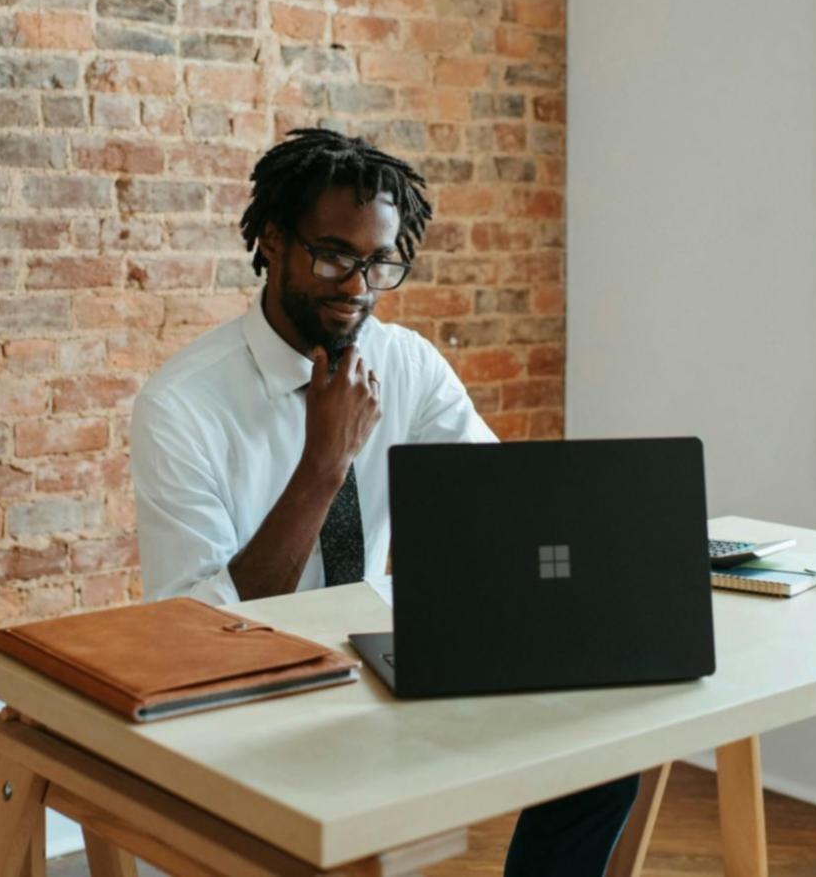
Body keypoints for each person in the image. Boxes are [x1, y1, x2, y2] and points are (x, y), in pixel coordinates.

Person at [129, 128, 640, 877]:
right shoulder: (181, 407)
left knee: (606, 748)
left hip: (380, 664)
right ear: (273, 241)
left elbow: (502, 506)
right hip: (257, 695)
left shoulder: (407, 365)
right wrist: (324, 465)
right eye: (333, 256)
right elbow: (199, 633)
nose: (357, 287)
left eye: (380, 263)